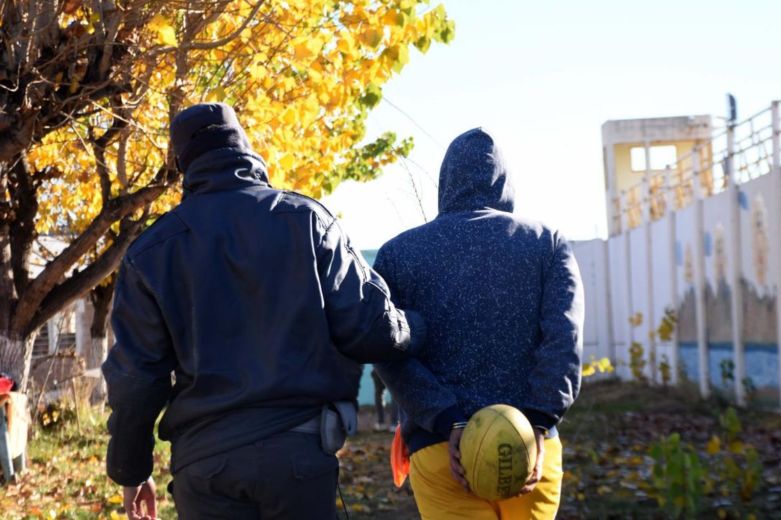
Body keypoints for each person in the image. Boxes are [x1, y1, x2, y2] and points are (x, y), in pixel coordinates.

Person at [102, 103, 425, 520]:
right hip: (297, 456)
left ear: (182, 163)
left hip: (204, 464)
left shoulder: (150, 252)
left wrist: (131, 470)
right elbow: (372, 330)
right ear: (244, 146)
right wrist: (419, 325)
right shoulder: (307, 221)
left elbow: (135, 379)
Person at [374, 128, 584, 519]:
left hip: (439, 451)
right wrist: (538, 422)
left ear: (445, 183)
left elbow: (387, 350)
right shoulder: (547, 243)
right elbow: (564, 340)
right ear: (505, 183)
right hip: (528, 449)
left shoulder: (396, 254)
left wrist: (447, 419)